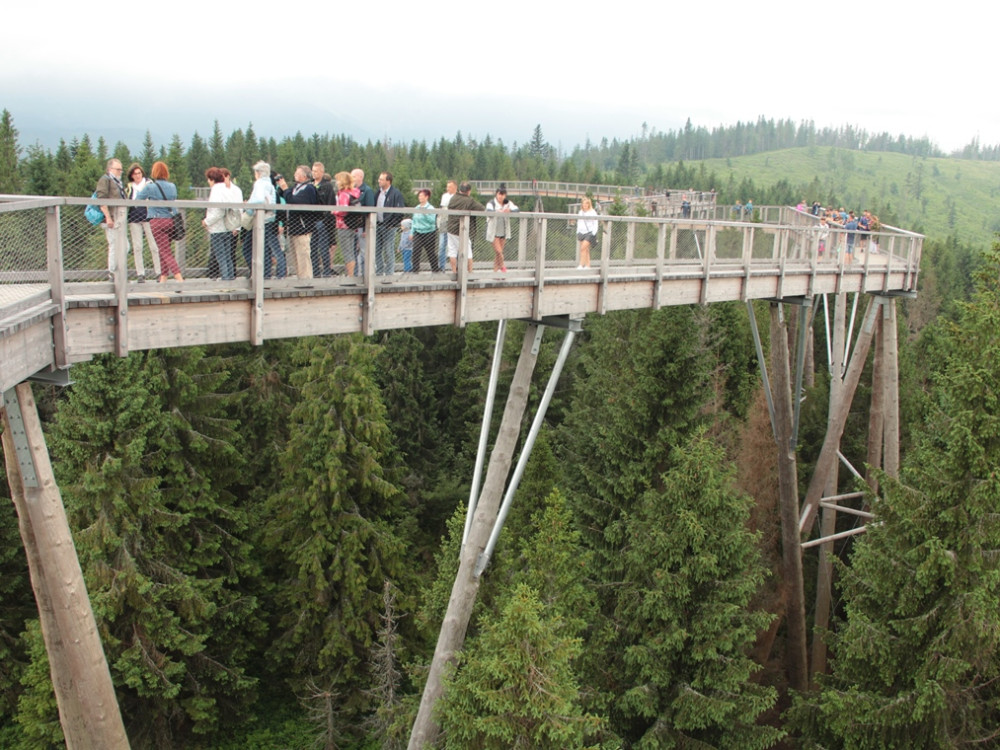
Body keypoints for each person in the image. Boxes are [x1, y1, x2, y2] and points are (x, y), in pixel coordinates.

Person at [135, 160, 183, 282]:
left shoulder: (150, 187)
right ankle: (163, 279)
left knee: (165, 252)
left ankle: (179, 278)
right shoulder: (172, 186)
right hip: (171, 221)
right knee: (164, 249)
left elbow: (137, 200)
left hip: (157, 221)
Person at [244, 160, 283, 278]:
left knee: (248, 248)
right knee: (265, 248)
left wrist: (249, 208)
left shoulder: (260, 184)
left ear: (258, 173)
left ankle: (259, 274)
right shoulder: (270, 185)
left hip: (261, 220)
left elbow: (260, 200)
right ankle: (265, 275)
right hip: (270, 219)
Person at [125, 162, 159, 282]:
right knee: (137, 246)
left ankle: (158, 272)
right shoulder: (130, 187)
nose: (138, 176)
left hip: (148, 216)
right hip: (134, 216)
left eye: (139, 173)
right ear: (132, 176)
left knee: (153, 245)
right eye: (135, 174)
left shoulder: (149, 184)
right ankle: (140, 273)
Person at [284, 165, 319, 279]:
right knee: (295, 257)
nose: (295, 175)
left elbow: (296, 202)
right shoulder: (296, 187)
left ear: (304, 176)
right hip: (293, 227)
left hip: (303, 228)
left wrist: (285, 189)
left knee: (303, 256)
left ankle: (306, 280)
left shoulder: (308, 188)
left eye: (297, 173)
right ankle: (300, 278)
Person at [95, 157, 127, 280]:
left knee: (124, 245)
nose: (120, 172)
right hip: (112, 218)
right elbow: (101, 199)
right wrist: (108, 217)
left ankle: (118, 271)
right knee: (114, 244)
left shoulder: (117, 182)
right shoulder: (105, 180)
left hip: (119, 219)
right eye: (118, 169)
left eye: (121, 170)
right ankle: (112, 273)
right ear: (110, 169)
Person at [203, 167, 235, 280]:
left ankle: (225, 281)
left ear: (212, 179)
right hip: (228, 227)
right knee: (227, 256)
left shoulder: (216, 191)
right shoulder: (226, 190)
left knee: (221, 257)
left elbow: (218, 211)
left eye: (208, 179)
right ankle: (230, 279)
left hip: (217, 228)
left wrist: (207, 221)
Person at [446, 182, 485, 274]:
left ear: (460, 190)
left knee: (452, 251)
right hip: (462, 230)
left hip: (451, 229)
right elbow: (482, 209)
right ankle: (470, 273)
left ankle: (454, 272)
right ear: (468, 191)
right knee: (468, 252)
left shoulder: (453, 198)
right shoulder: (469, 201)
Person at [374, 171, 405, 276]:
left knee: (388, 250)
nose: (379, 181)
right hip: (378, 225)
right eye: (379, 179)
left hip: (389, 227)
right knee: (377, 250)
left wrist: (392, 224)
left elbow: (400, 211)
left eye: (381, 179)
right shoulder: (378, 193)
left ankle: (389, 274)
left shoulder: (395, 193)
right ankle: (379, 272)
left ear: (388, 181)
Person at [333, 171, 362, 277]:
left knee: (347, 252)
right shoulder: (353, 193)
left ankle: (350, 276)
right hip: (351, 226)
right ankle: (351, 274)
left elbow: (343, 210)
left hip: (343, 225)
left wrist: (334, 211)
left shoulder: (344, 194)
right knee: (351, 251)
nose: (336, 183)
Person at [484, 187, 518, 272]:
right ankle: (503, 267)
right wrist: (497, 212)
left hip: (503, 231)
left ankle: (495, 272)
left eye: (502, 194)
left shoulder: (508, 203)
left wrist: (509, 210)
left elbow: (517, 210)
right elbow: (489, 211)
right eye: (499, 194)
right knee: (499, 252)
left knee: (498, 254)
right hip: (493, 232)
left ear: (505, 195)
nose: (500, 196)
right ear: (496, 194)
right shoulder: (491, 203)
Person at [311, 162, 335, 277]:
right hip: (312, 221)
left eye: (316, 171)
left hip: (322, 221)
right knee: (312, 248)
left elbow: (331, 204)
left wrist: (327, 220)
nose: (314, 173)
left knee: (323, 248)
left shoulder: (327, 186)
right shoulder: (310, 185)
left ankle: (326, 272)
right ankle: (315, 272)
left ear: (321, 172)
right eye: (313, 171)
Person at [411, 188, 439, 272]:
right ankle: (415, 269)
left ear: (426, 197)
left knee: (430, 252)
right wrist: (412, 232)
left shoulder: (431, 208)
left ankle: (435, 269)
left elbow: (432, 221)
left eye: (422, 196)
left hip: (429, 232)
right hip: (418, 232)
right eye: (419, 196)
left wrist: (425, 213)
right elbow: (414, 221)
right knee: (416, 251)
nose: (420, 197)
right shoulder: (417, 208)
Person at [438, 179, 457, 271]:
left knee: (453, 246)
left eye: (450, 187)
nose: (448, 188)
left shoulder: (457, 197)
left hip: (453, 223)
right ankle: (442, 266)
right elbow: (442, 209)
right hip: (444, 222)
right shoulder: (444, 196)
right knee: (442, 245)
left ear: (455, 187)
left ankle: (456, 266)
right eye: (447, 186)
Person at [576, 196, 598, 269]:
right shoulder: (580, 212)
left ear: (589, 204)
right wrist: (578, 231)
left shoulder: (592, 212)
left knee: (582, 248)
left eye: (586, 204)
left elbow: (595, 223)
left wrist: (594, 232)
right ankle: (588, 265)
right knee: (586, 249)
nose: (584, 205)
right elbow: (579, 222)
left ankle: (581, 264)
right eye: (583, 204)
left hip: (589, 232)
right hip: (581, 232)